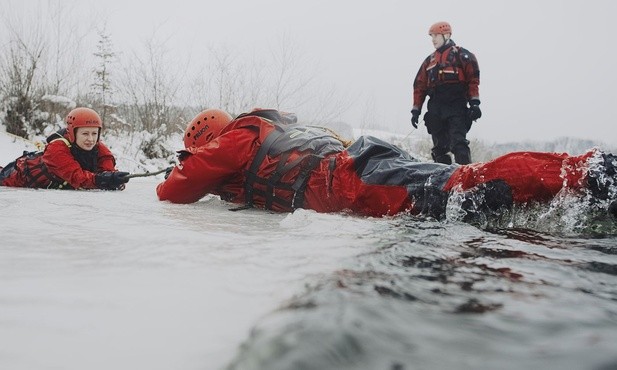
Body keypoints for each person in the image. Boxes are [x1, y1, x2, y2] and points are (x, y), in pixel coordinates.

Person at [156, 108, 617, 221]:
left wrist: (184, 166)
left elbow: (174, 190)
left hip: (355, 180)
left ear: (206, 140)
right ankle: (581, 176)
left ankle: (588, 172)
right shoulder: (260, 137)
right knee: (460, 187)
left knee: (463, 186)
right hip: (359, 165)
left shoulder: (238, 135)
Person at [0, 107, 130, 190]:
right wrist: (103, 180)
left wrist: (114, 179)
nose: (91, 139)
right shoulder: (56, 149)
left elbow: (108, 169)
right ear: (73, 133)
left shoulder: (98, 147)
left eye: (94, 133)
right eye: (85, 134)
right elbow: (77, 177)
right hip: (14, 178)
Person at [411, 21, 481, 165]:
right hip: (435, 107)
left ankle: (466, 177)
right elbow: (419, 86)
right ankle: (444, 179)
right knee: (439, 148)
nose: (433, 40)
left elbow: (473, 79)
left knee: (458, 143)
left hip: (456, 105)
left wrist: (474, 103)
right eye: (432, 36)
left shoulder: (462, 55)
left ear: (447, 35)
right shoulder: (428, 61)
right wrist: (415, 111)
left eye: (436, 35)